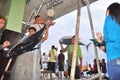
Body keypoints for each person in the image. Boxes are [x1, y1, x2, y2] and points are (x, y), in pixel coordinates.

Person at [103, 2, 120, 80]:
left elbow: (112, 37)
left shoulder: (109, 18)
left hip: (114, 59)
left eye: (106, 11)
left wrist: (102, 38)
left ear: (110, 10)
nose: (105, 13)